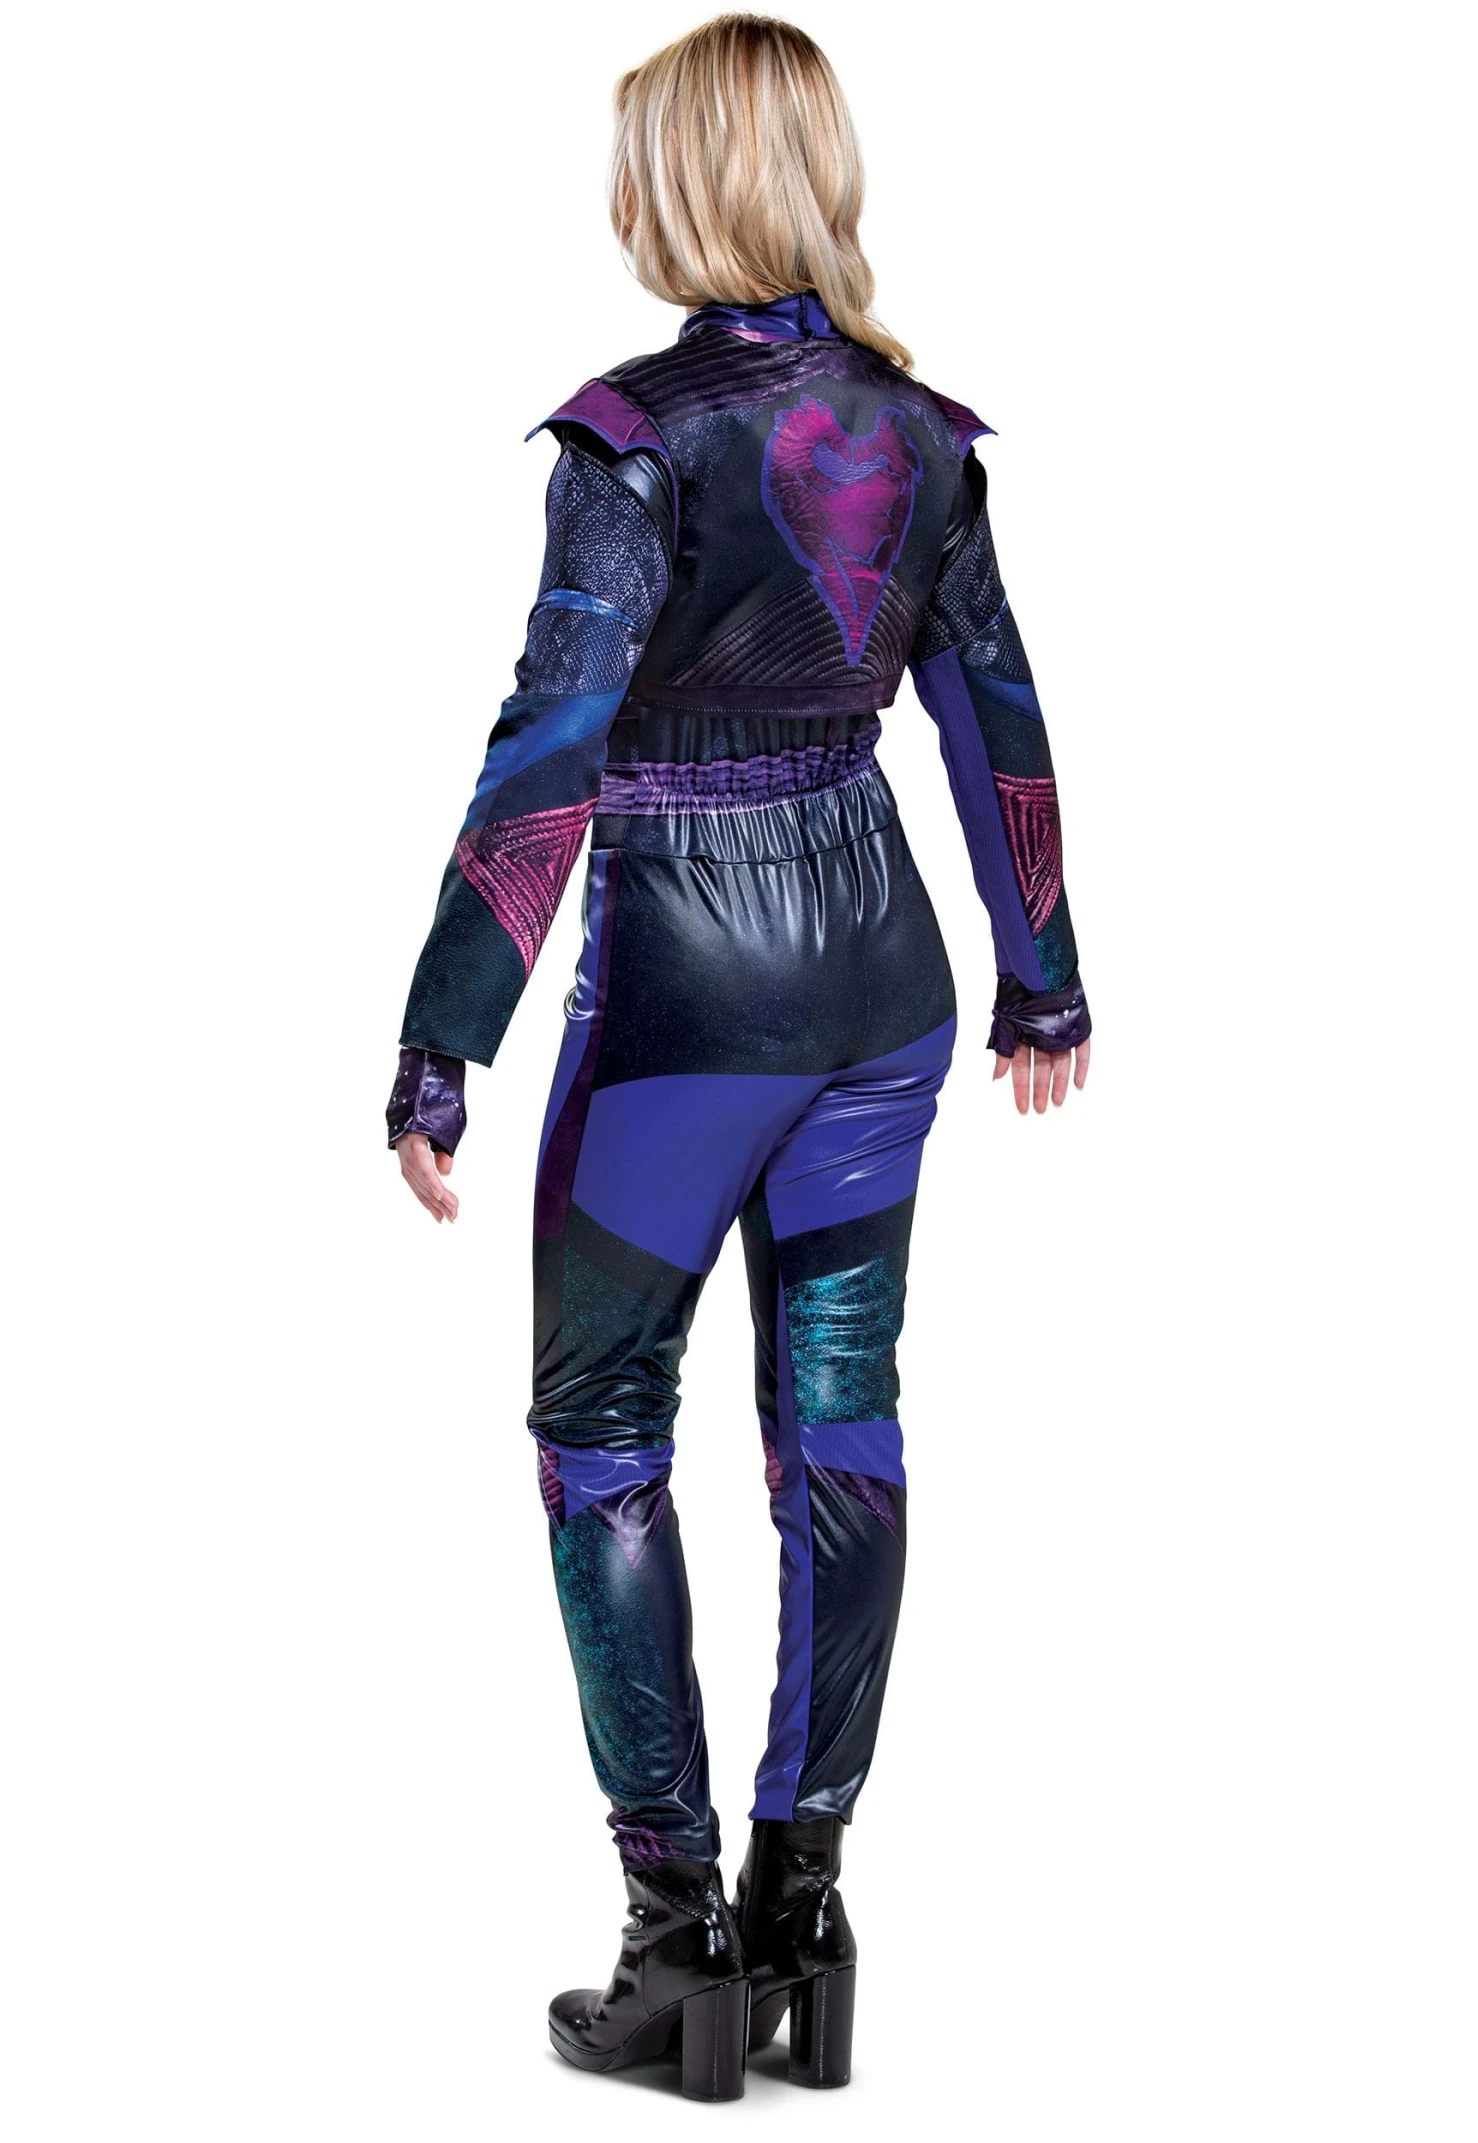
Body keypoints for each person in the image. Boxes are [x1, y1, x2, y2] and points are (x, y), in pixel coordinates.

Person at [387, 14, 1091, 2100]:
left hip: (686, 982)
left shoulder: (632, 439)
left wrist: (443, 1036)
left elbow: (552, 742)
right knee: (840, 1424)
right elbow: (997, 715)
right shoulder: (926, 436)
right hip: (880, 971)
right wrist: (1046, 981)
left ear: (680, 182)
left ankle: (674, 1935)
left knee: (601, 1423)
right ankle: (809, 1914)